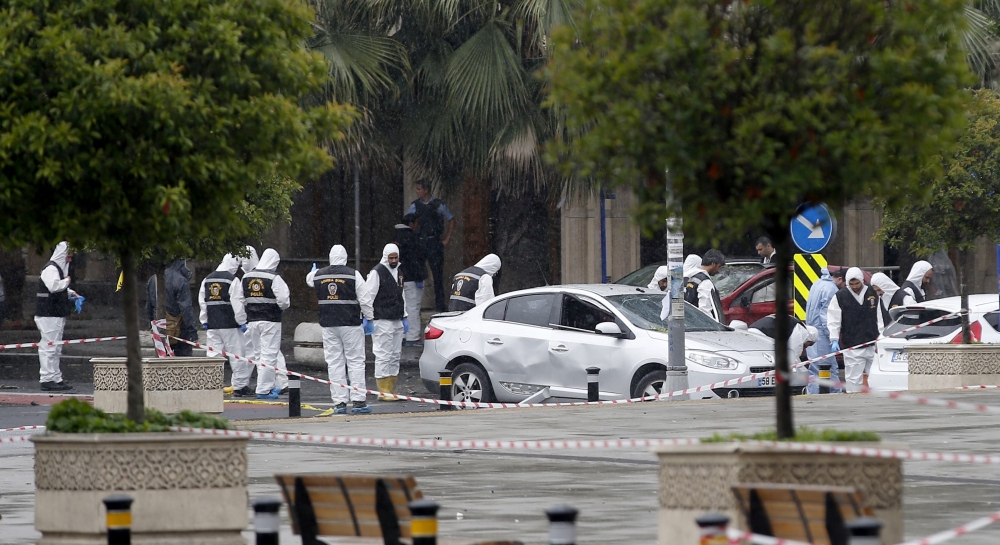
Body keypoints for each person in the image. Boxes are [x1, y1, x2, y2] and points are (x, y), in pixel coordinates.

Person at [306, 245, 375, 414]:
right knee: (355, 361)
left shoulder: (319, 275)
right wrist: (370, 318)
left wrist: (314, 271)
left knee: (334, 362)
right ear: (345, 257)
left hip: (328, 324)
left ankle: (339, 403)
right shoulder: (353, 275)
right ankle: (358, 401)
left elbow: (309, 280)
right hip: (350, 323)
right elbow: (365, 300)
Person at [199, 254, 250, 396]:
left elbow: (203, 302)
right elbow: (237, 303)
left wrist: (204, 320)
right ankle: (240, 387)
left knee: (213, 355)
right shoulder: (232, 280)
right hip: (230, 324)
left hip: (213, 324)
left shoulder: (207, 279)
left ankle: (211, 384)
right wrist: (242, 321)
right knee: (237, 355)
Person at [243, 248, 290, 400]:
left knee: (258, 354)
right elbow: (284, 300)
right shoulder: (273, 277)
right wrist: (280, 308)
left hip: (252, 321)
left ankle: (263, 386)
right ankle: (264, 389)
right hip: (271, 320)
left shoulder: (247, 277)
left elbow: (240, 298)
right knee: (269, 355)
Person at [364, 244, 409, 401]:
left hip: (396, 318)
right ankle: (383, 390)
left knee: (395, 354)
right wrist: (368, 317)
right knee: (383, 354)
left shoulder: (399, 272)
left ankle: (391, 387)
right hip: (382, 319)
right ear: (385, 257)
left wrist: (405, 315)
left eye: (396, 257)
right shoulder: (377, 273)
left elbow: (401, 295)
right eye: (391, 258)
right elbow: (368, 296)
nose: (394, 260)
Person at [35, 242, 80, 391]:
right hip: (48, 314)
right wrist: (67, 281)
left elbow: (58, 287)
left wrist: (71, 293)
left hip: (55, 313)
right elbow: (54, 287)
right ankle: (47, 378)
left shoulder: (57, 270)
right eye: (68, 256)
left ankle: (55, 377)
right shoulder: (51, 269)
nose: (69, 260)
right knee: (49, 346)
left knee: (56, 347)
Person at [406, 180, 456, 311]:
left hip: (434, 242)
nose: (417, 192)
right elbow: (408, 221)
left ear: (426, 190)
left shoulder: (437, 205)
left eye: (419, 189)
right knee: (417, 273)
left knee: (437, 275)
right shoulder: (415, 205)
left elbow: (451, 219)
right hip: (420, 242)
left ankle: (440, 305)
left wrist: (447, 239)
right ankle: (416, 304)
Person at [827, 267, 879, 392]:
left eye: (857, 283)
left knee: (876, 378)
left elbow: (880, 316)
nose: (855, 286)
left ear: (862, 280)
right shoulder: (840, 296)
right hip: (852, 345)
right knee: (853, 380)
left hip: (872, 343)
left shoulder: (873, 292)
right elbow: (834, 319)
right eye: (851, 284)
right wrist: (834, 339)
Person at [804, 267, 842, 394]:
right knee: (828, 368)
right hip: (823, 336)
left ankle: (813, 395)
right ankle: (835, 396)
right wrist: (833, 337)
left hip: (813, 332)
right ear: (840, 279)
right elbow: (826, 315)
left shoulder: (817, 284)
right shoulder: (831, 289)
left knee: (814, 369)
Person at [395, 214, 426, 347]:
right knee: (413, 308)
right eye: (417, 223)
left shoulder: (395, 237)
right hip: (412, 279)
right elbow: (415, 261)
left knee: (404, 308)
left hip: (400, 278)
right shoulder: (412, 238)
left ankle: (402, 335)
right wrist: (419, 276)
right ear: (411, 224)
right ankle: (412, 337)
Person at [748, 314, 818, 365]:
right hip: (763, 334)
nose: (805, 347)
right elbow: (793, 353)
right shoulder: (802, 331)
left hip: (751, 331)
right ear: (810, 338)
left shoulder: (793, 322)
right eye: (810, 344)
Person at [165, 259, 198, 357]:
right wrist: (192, 332)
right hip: (180, 330)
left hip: (159, 328)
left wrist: (152, 324)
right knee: (183, 363)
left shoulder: (154, 279)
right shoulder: (181, 281)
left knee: (161, 363)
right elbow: (186, 308)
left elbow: (149, 306)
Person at [684, 250, 725, 321]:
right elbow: (705, 311)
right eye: (719, 267)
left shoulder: (689, 278)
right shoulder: (705, 282)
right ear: (713, 264)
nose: (719, 271)